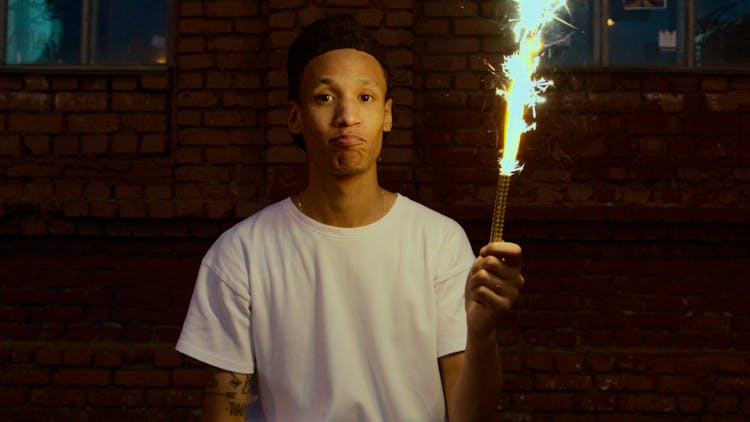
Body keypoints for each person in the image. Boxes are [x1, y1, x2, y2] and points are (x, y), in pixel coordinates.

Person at [176, 14, 525, 422]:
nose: (347, 116)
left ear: (387, 115)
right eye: (325, 97)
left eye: (365, 97)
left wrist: (482, 336)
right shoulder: (239, 255)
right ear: (294, 117)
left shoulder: (439, 241)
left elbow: (470, 417)